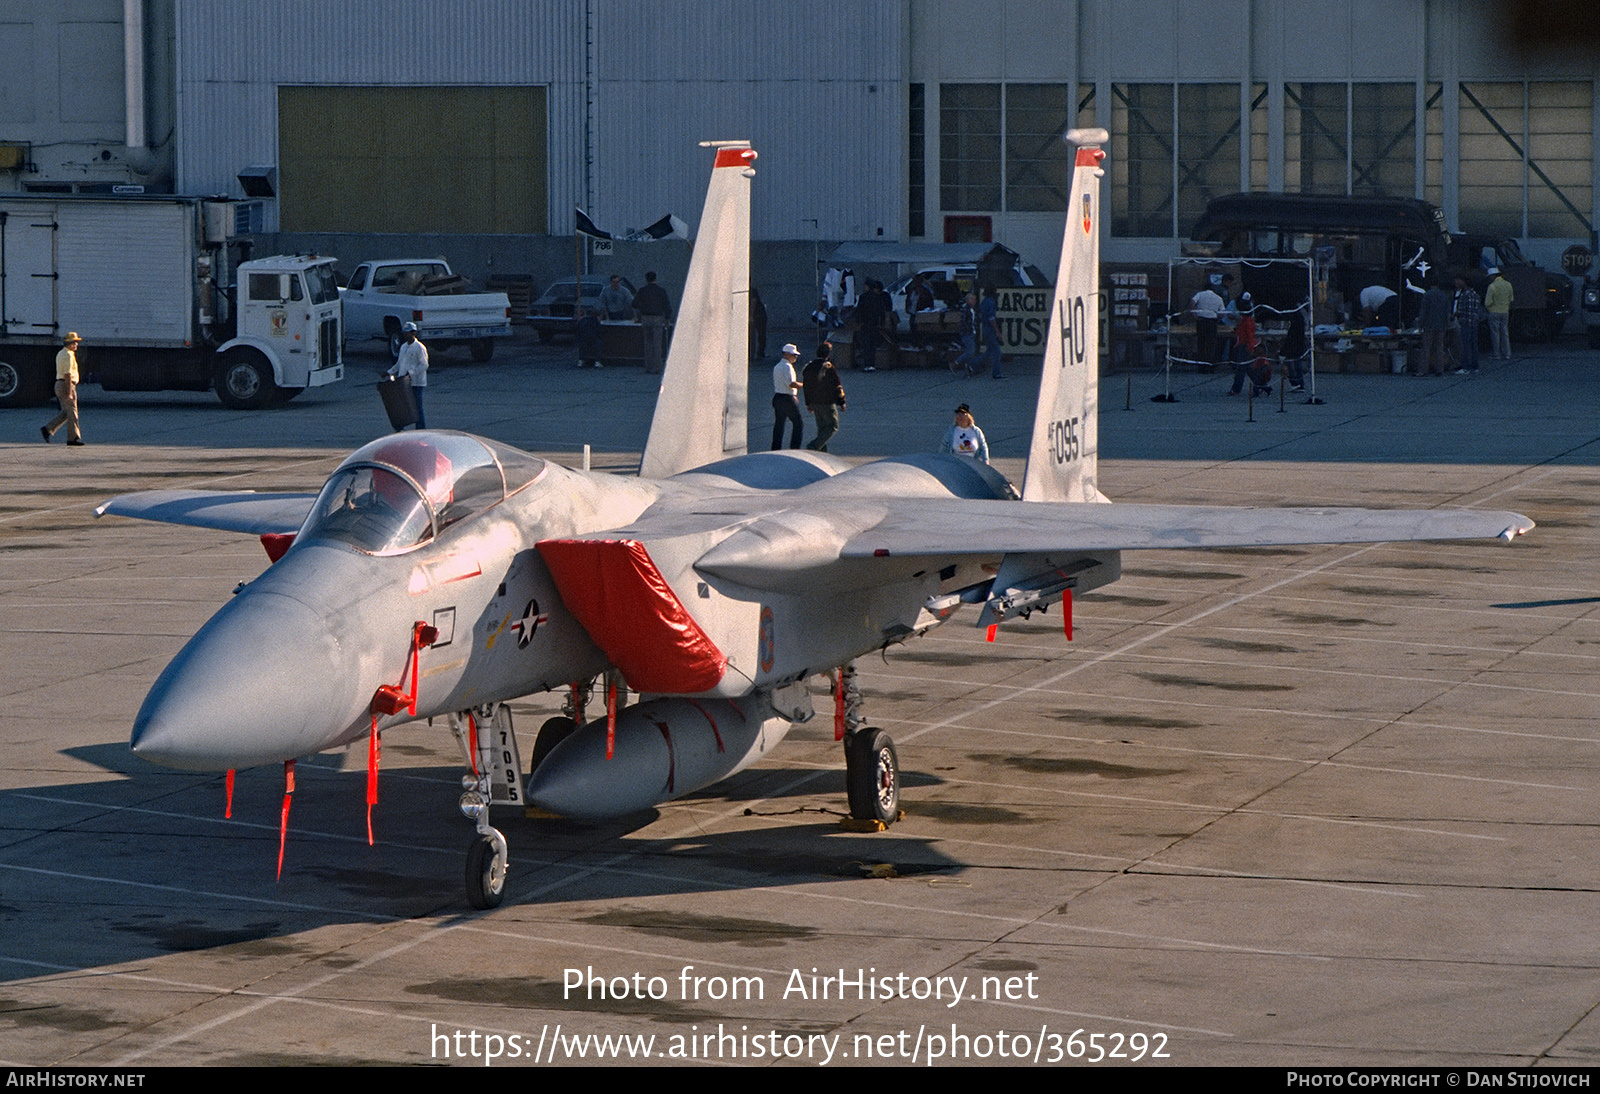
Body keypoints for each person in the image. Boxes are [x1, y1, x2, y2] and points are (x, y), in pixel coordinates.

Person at [40, 331, 85, 445]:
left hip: (60, 385)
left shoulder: (61, 353)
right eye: (75, 342)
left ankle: (47, 429)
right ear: (70, 343)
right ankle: (73, 438)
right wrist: (70, 392)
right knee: (73, 412)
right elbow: (68, 374)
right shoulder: (69, 355)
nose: (76, 345)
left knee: (67, 412)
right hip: (66, 385)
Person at [802, 342, 845, 452]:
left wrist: (808, 403)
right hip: (827, 402)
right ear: (828, 354)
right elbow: (836, 385)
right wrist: (841, 401)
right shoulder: (828, 367)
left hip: (814, 402)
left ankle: (821, 451)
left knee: (822, 428)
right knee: (832, 426)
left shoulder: (809, 367)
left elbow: (806, 387)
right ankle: (814, 445)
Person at [387, 321, 429, 429]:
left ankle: (420, 427)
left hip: (417, 383)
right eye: (404, 333)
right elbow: (399, 364)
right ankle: (400, 427)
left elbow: (424, 365)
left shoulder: (419, 347)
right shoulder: (403, 347)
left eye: (407, 333)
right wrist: (389, 372)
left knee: (417, 406)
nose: (405, 335)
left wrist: (411, 374)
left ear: (413, 333)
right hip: (403, 382)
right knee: (402, 405)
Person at [1226, 298, 1270, 396]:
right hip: (1243, 345)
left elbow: (1250, 336)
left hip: (1245, 346)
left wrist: (1250, 348)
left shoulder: (1247, 321)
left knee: (1241, 368)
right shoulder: (1244, 320)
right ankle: (1261, 385)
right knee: (1248, 368)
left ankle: (1236, 389)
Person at [633, 271, 672, 373]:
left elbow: (634, 303)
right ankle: (658, 367)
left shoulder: (642, 290)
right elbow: (667, 305)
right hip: (658, 318)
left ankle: (648, 367)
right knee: (657, 343)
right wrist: (667, 318)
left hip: (645, 317)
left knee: (648, 343)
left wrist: (642, 307)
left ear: (646, 279)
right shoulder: (661, 291)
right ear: (655, 279)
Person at [770, 343, 804, 450]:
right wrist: (805, 384)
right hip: (787, 399)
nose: (795, 357)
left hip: (778, 397)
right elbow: (791, 384)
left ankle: (775, 448)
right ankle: (795, 448)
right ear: (786, 354)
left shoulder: (777, 366)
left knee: (779, 424)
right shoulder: (787, 367)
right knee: (798, 424)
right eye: (794, 355)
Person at [1417, 279, 1452, 376]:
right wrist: (1447, 324)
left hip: (1429, 325)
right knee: (1439, 348)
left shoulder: (1427, 295)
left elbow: (1423, 311)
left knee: (1426, 348)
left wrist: (1420, 324)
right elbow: (1447, 312)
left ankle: (1423, 370)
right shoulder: (1444, 296)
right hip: (1441, 325)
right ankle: (1440, 369)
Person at [853, 279, 887, 372]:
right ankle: (872, 364)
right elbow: (882, 311)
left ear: (868, 286)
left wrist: (859, 321)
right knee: (872, 345)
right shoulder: (877, 297)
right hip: (875, 323)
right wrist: (882, 323)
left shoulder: (863, 297)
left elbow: (859, 310)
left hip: (865, 323)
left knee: (866, 344)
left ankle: (867, 364)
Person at [1189, 281, 1225, 371]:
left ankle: (1201, 366)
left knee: (1201, 343)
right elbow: (1222, 312)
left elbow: (1192, 302)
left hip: (1201, 321)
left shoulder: (1200, 294)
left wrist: (1194, 315)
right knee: (1211, 344)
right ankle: (1209, 366)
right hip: (1212, 322)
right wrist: (1218, 319)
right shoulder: (1218, 298)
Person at [1453, 274, 1483, 374]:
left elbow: (1466, 311)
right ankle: (1475, 366)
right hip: (1474, 323)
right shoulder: (1475, 294)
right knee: (1473, 345)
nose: (1456, 283)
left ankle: (1466, 367)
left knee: (1466, 345)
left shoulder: (1466, 295)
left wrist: (1455, 314)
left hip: (1466, 323)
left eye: (1458, 280)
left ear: (1463, 281)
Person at [1484, 267, 1514, 360]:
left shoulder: (1492, 286)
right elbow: (1511, 299)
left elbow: (1487, 302)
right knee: (1505, 332)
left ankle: (1496, 354)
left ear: (1493, 276)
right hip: (1505, 311)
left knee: (1495, 334)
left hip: (1494, 312)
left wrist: (1489, 309)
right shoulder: (1508, 284)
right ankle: (1507, 353)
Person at [951, 292, 981, 375]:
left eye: (975, 299)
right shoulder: (965, 310)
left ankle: (970, 368)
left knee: (971, 351)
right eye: (972, 299)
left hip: (971, 332)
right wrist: (969, 330)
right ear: (967, 300)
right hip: (967, 333)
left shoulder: (972, 309)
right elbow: (964, 322)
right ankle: (955, 363)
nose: (974, 301)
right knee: (970, 352)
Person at [979, 286, 1004, 378]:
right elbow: (992, 318)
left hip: (985, 328)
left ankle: (973, 365)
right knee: (996, 351)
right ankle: (996, 373)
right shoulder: (991, 302)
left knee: (989, 351)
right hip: (990, 329)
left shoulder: (984, 301)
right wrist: (998, 332)